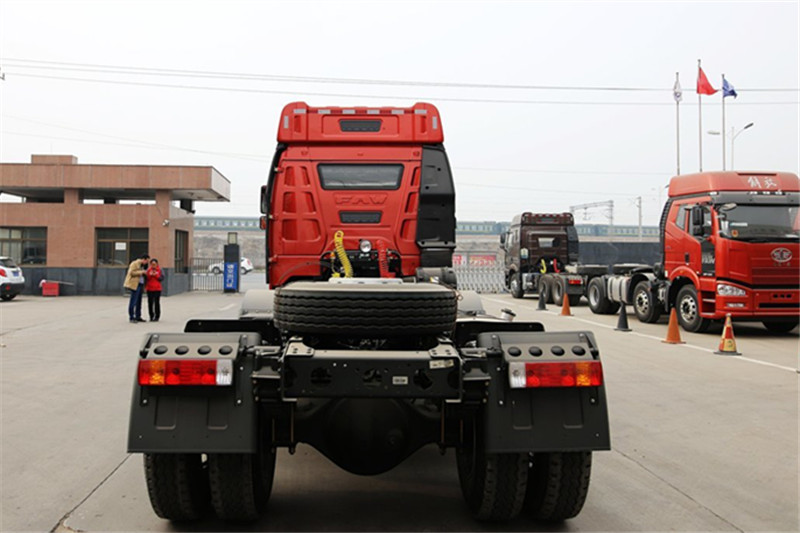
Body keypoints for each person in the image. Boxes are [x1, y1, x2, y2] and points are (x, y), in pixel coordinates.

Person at [124, 254, 149, 323]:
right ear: (143, 259)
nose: (147, 263)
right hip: (135, 284)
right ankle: (131, 317)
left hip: (140, 284)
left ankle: (138, 316)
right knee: (133, 301)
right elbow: (131, 272)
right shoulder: (135, 263)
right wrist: (141, 272)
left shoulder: (143, 266)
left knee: (139, 301)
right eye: (146, 261)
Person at [145, 258, 163, 322]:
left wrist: (156, 275)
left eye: (154, 264)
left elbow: (161, 278)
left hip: (157, 289)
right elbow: (146, 279)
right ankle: (151, 316)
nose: (153, 266)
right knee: (150, 303)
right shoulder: (148, 270)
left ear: (157, 264)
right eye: (152, 264)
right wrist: (149, 275)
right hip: (149, 288)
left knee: (156, 303)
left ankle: (157, 316)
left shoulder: (160, 270)